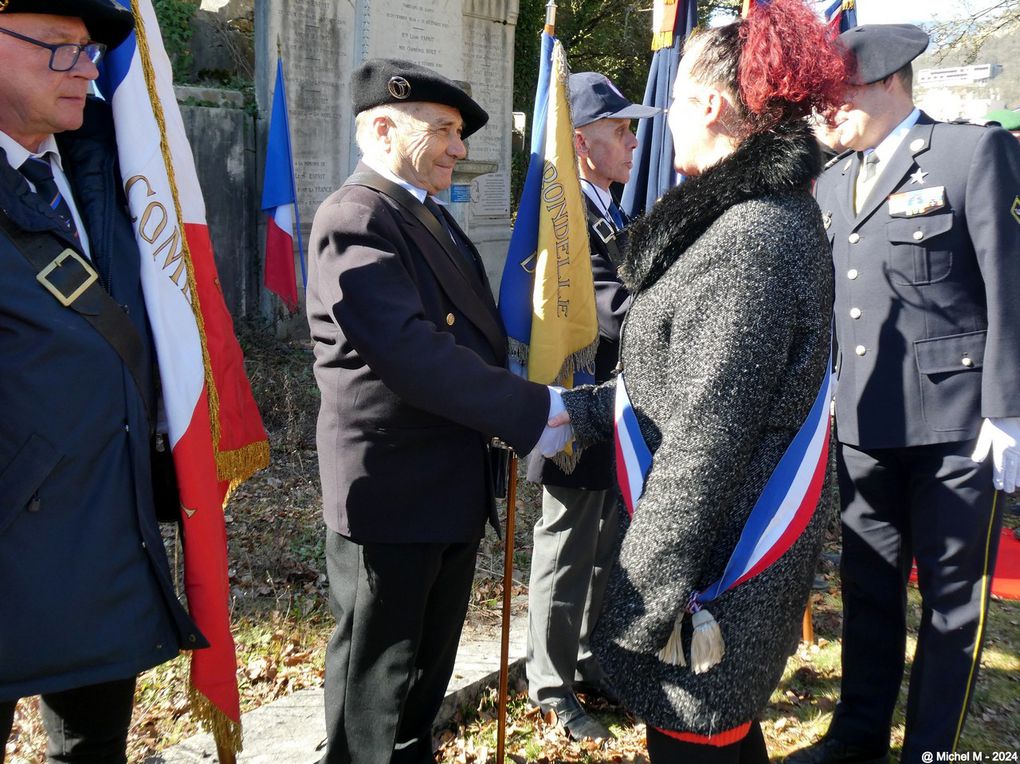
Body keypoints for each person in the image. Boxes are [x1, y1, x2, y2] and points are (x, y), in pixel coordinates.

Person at [552, 0, 845, 758]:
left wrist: (637, 606)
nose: (661, 121)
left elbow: (707, 437)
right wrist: (568, 416)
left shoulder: (749, 236)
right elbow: (676, 381)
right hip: (704, 556)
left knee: (699, 746)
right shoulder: (744, 219)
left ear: (711, 104)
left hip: (710, 576)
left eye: (673, 99)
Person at [305, 59, 571, 763]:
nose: (460, 147)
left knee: (422, 683)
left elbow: (473, 340)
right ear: (385, 127)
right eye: (446, 129)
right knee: (377, 691)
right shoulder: (355, 216)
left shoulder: (424, 215)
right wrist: (535, 410)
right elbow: (412, 352)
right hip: (392, 496)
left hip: (444, 485)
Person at [790, 25, 1020, 764]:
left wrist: (1009, 410)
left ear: (890, 81)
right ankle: (856, 738)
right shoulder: (830, 179)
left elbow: (1009, 289)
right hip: (862, 421)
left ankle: (932, 750)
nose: (824, 113)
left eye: (836, 95)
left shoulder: (968, 154)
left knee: (952, 606)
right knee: (867, 591)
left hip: (959, 428)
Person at [0, 1, 207, 760]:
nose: (88, 68)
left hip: (103, 537)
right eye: (60, 47)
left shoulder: (108, 168)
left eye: (90, 50)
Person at [523, 70, 656, 742]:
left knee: (609, 545)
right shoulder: (566, 221)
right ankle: (549, 685)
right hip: (576, 403)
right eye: (620, 130)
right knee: (566, 548)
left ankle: (587, 661)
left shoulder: (614, 211)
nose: (633, 141)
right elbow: (612, 311)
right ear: (581, 143)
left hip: (620, 409)